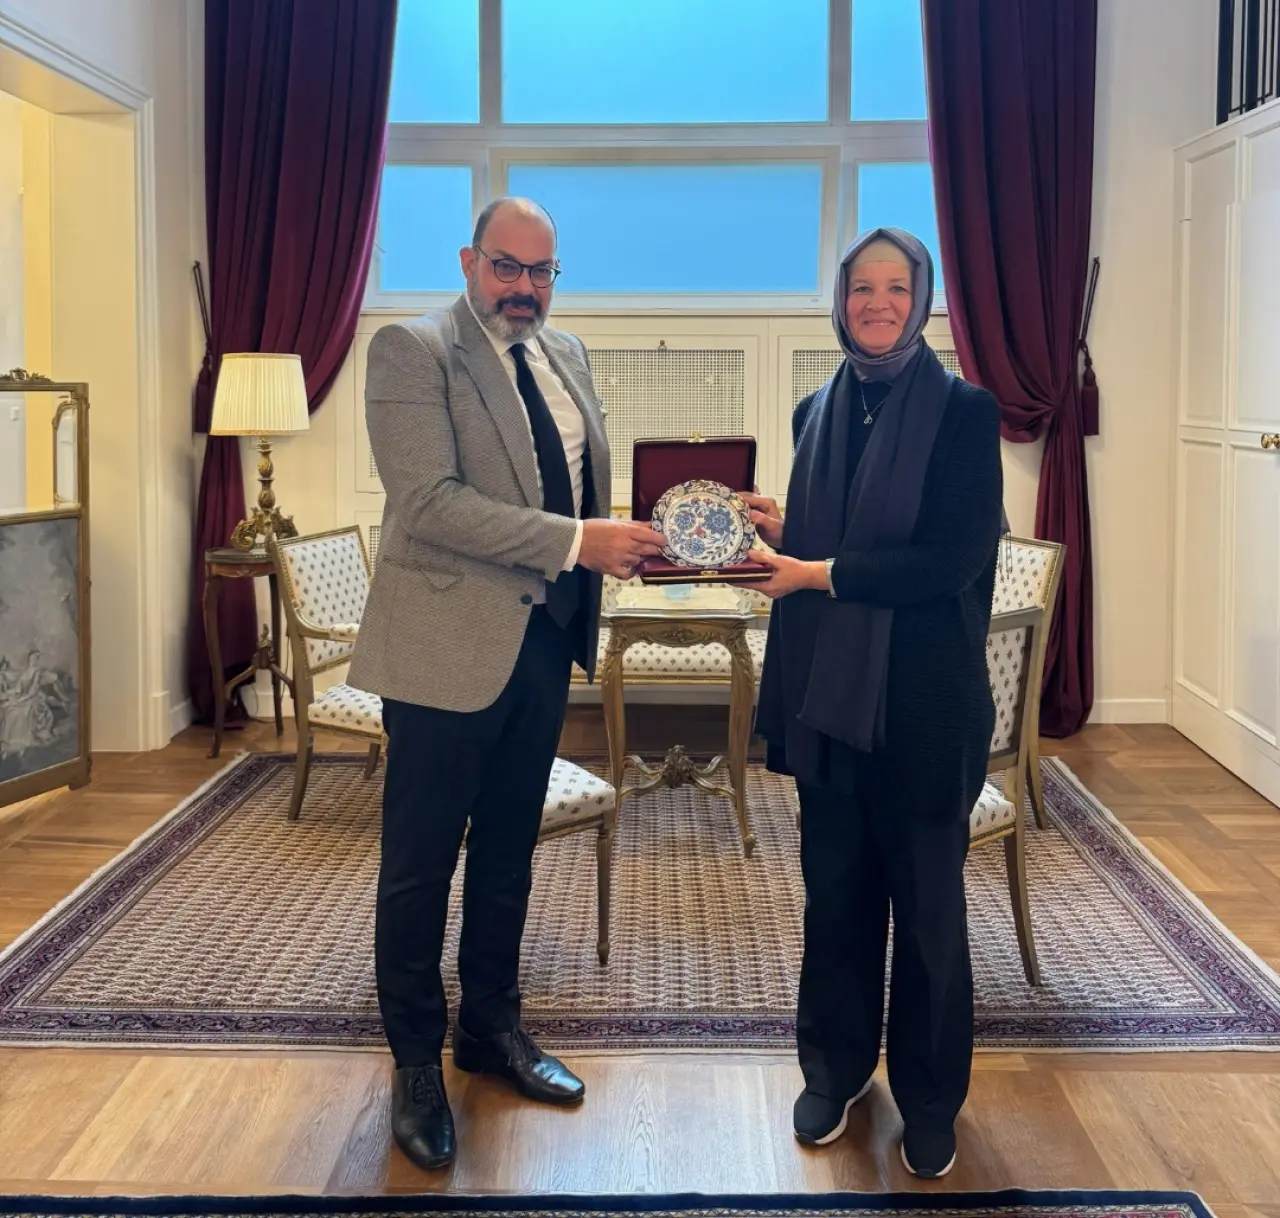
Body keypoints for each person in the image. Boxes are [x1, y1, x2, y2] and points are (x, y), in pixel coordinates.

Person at [347, 197, 666, 1171]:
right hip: (443, 650)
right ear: (468, 261)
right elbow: (429, 503)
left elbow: (572, 485)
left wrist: (628, 540)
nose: (523, 288)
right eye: (506, 267)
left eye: (541, 271)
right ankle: (414, 1062)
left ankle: (489, 1028)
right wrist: (579, 542)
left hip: (543, 640)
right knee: (419, 867)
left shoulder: (566, 354)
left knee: (507, 856)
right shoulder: (412, 351)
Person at [744, 228, 1003, 1179]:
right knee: (838, 899)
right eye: (862, 288)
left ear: (923, 298)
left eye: (898, 287)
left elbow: (949, 561)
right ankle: (836, 1068)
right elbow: (843, 532)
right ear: (840, 301)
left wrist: (814, 570)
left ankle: (930, 1098)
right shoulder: (815, 409)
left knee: (929, 915)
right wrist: (783, 531)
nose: (879, 304)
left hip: (926, 710)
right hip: (830, 703)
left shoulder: (966, 412)